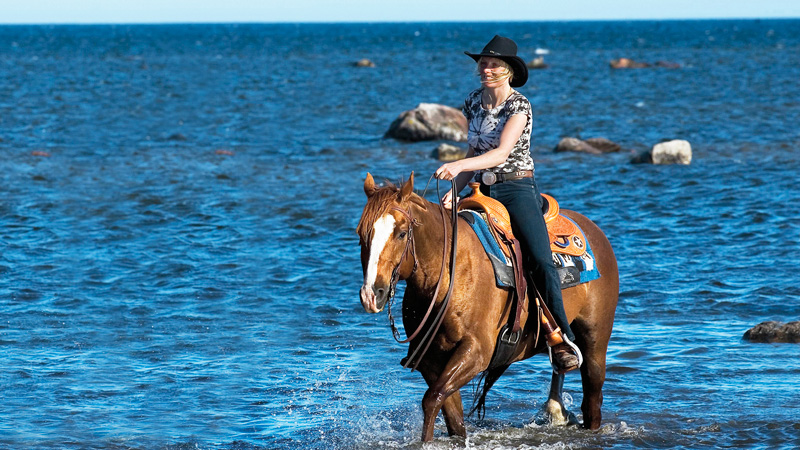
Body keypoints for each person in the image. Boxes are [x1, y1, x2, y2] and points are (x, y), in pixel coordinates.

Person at [434, 35, 581, 373]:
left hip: (516, 187)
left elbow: (500, 152)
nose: (486, 68)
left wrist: (456, 166)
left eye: (494, 64)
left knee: (540, 260)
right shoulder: (472, 101)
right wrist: (456, 190)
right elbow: (474, 151)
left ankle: (562, 337)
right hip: (478, 188)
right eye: (483, 63)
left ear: (508, 71)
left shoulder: (519, 105)